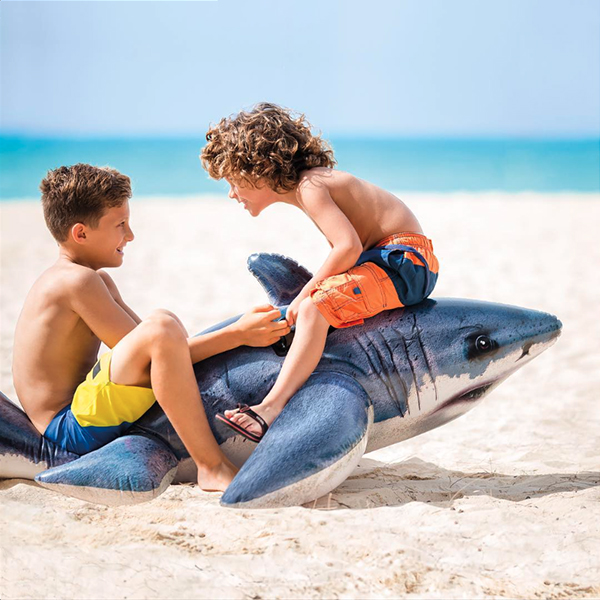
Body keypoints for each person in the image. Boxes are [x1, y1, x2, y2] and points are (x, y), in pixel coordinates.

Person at [12, 163, 289, 491]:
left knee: (164, 321)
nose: (130, 235)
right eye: (120, 225)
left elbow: (162, 353)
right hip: (68, 429)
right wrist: (238, 334)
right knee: (160, 329)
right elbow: (159, 347)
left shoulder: (93, 279)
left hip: (84, 411)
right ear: (81, 234)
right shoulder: (76, 282)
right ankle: (210, 465)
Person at [201, 102, 439, 442]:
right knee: (319, 305)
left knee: (315, 306)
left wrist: (305, 295)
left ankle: (269, 409)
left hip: (403, 261)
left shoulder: (310, 187)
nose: (231, 193)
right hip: (393, 259)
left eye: (233, 180)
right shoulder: (312, 186)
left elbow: (347, 247)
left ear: (261, 167)